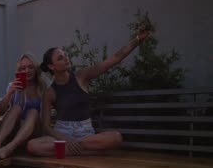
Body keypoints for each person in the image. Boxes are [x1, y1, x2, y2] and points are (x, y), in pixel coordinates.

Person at [27, 28, 151, 156]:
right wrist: (65, 139)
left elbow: (114, 58)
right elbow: (46, 126)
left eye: (65, 55)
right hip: (62, 134)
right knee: (32, 145)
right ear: (51, 66)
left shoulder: (82, 76)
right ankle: (80, 149)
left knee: (116, 137)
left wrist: (137, 40)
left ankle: (75, 148)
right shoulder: (50, 92)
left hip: (85, 134)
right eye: (60, 58)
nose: (66, 58)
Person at [0, 54, 46, 159]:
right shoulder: (13, 86)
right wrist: (10, 93)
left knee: (33, 111)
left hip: (34, 131)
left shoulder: (42, 88)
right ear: (19, 71)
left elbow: (44, 117)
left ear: (35, 69)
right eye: (23, 68)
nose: (27, 71)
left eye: (30, 67)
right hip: (14, 131)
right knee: (16, 107)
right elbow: (1, 112)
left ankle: (9, 148)